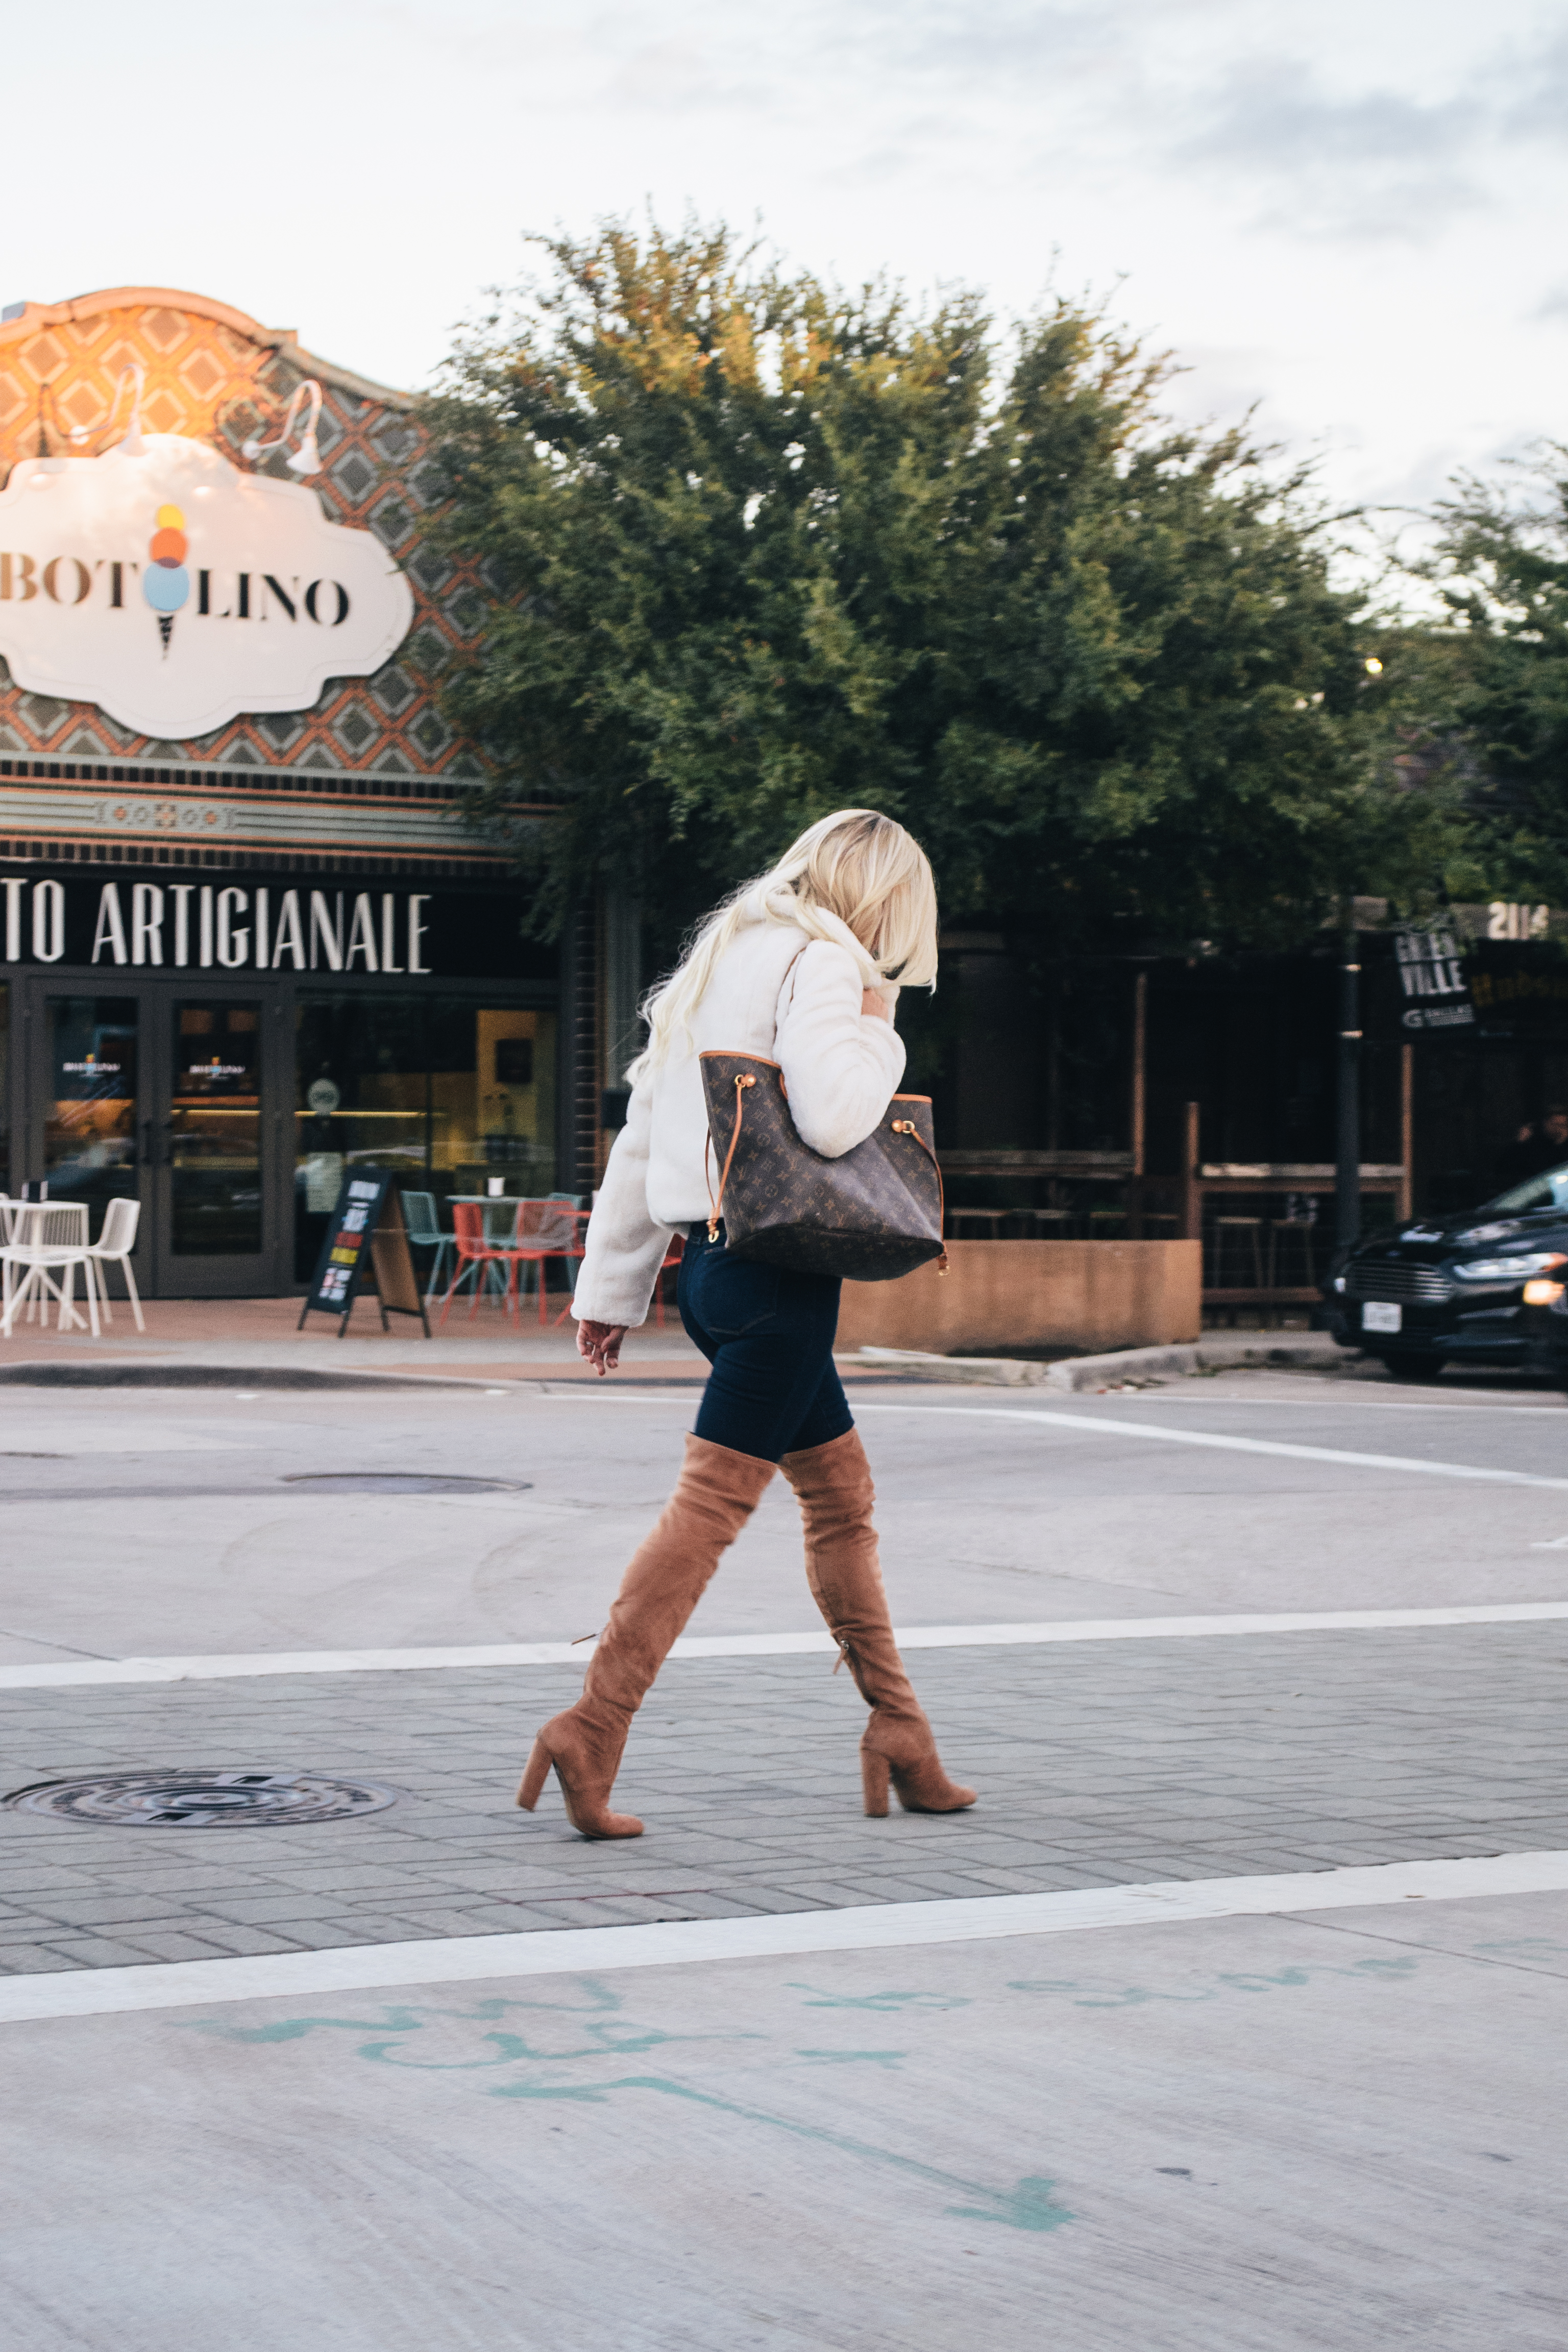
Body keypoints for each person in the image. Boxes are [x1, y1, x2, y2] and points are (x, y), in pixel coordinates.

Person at [517, 810, 976, 1840]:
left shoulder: (720, 954)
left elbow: (641, 1138)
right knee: (708, 1517)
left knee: (842, 1500)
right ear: (882, 897)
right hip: (781, 1286)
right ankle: (592, 1725)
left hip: (715, 1281)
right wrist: (875, 1017)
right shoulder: (823, 962)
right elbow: (833, 1116)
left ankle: (902, 1734)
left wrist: (612, 1294)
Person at [1497, 1105, 1568, 1190]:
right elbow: (1505, 1166)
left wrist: (1562, 1142)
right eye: (1554, 1124)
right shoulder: (1533, 1140)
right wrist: (1519, 1143)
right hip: (1528, 1187)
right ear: (1546, 1123)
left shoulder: (1564, 1145)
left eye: (1562, 1125)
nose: (1557, 1129)